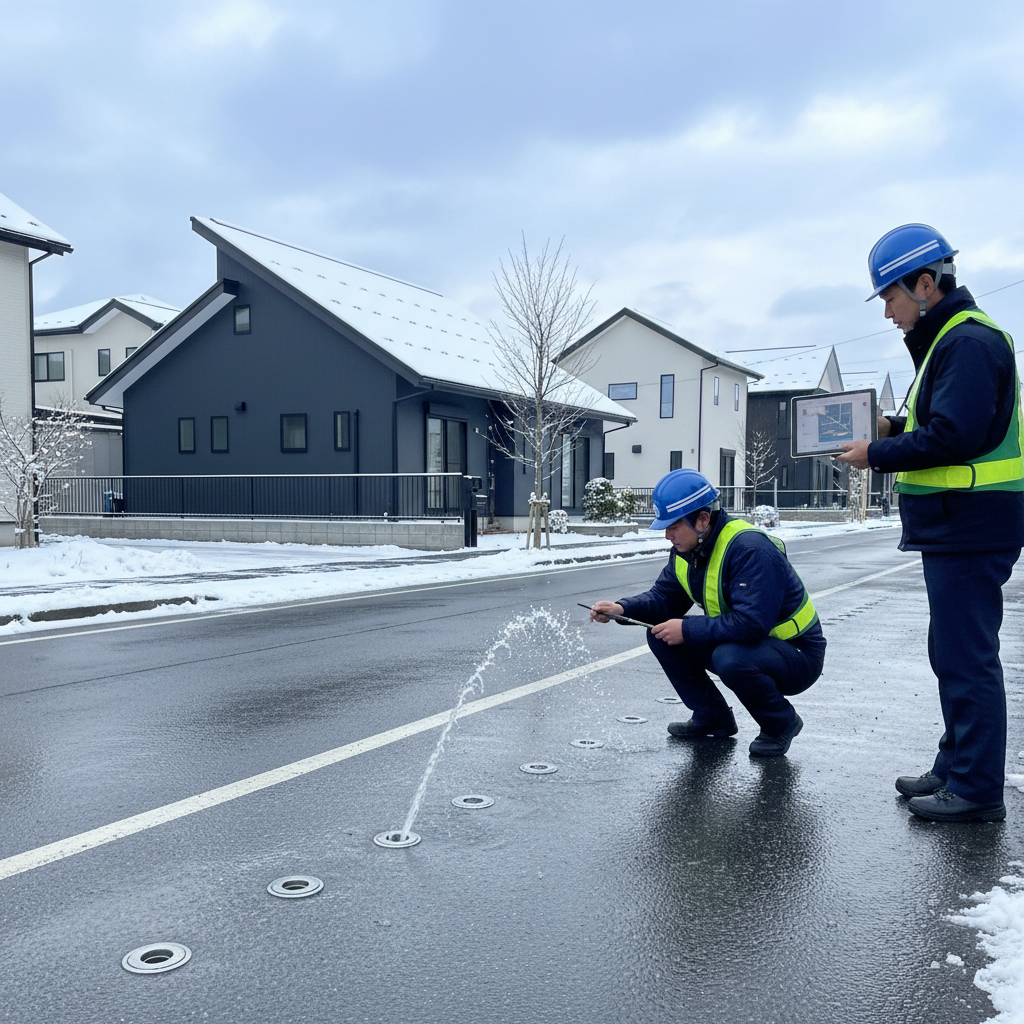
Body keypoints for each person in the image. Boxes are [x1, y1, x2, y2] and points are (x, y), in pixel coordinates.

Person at [837, 223, 1024, 822]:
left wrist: (877, 454)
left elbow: (955, 435)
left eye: (890, 298)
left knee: (967, 657)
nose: (889, 313)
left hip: (971, 523)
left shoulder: (967, 342)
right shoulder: (947, 340)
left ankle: (975, 791)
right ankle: (955, 766)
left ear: (925, 284)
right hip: (959, 525)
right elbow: (938, 422)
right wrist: (891, 428)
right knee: (951, 651)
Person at [589, 468, 826, 756]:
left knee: (729, 658)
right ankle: (713, 717)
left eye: (673, 526)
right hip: (754, 645)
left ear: (702, 519)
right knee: (662, 633)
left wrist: (686, 630)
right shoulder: (689, 550)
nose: (667, 535)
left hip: (797, 655)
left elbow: (752, 624)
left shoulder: (750, 550)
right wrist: (622, 608)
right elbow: (664, 598)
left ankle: (781, 723)